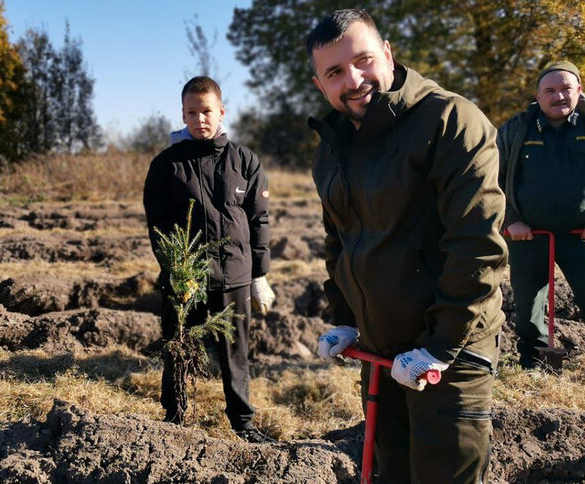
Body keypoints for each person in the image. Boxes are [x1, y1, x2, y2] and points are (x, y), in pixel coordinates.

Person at [307, 10, 507, 482]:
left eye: (363, 60)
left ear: (389, 54)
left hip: (450, 355)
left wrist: (439, 346)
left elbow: (476, 245)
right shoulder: (333, 147)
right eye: (335, 72)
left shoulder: (450, 121)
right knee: (389, 472)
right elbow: (340, 239)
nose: (353, 80)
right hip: (381, 351)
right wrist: (344, 319)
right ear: (320, 85)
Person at [143, 76, 275, 443]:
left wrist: (260, 275)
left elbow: (259, 219)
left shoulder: (245, 161)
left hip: (234, 276)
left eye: (206, 111)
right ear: (182, 114)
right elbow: (158, 226)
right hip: (185, 280)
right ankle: (174, 417)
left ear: (221, 112)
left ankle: (243, 423)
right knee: (178, 349)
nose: (200, 119)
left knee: (236, 355)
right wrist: (175, 270)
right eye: (191, 112)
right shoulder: (166, 166)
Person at [497, 61, 585, 369]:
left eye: (565, 89)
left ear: (579, 90)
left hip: (580, 236)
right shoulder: (516, 129)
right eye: (550, 90)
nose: (558, 96)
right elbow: (494, 178)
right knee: (529, 305)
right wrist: (510, 220)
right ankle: (534, 364)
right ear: (538, 94)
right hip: (528, 234)